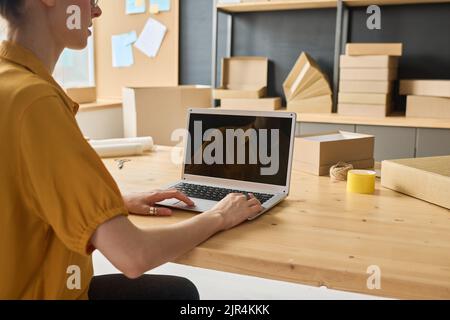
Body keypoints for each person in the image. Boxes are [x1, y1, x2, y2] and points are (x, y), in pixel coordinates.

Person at [0, 0, 263, 300]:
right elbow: (133, 256)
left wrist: (113, 206)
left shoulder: (9, 84)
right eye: (91, 0)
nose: (96, 12)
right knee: (181, 296)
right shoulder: (37, 102)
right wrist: (219, 216)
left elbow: (20, 198)